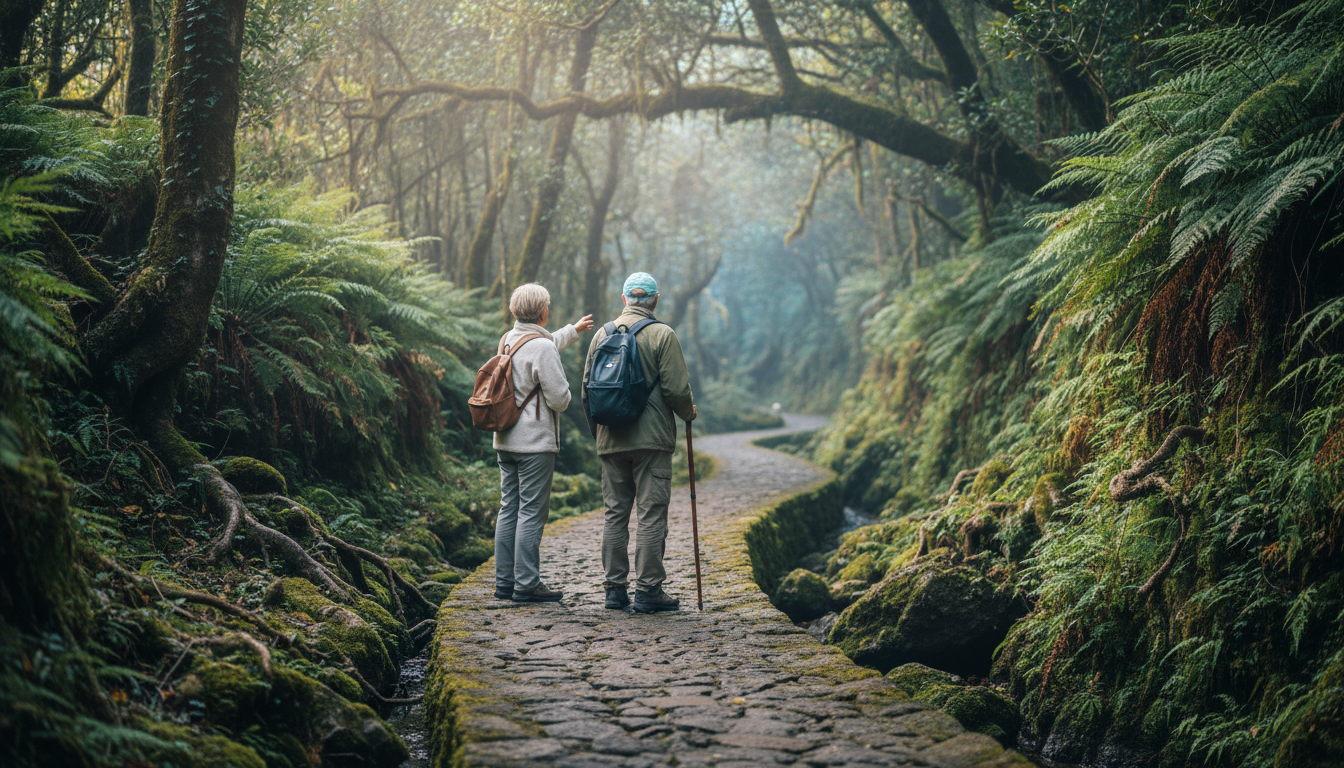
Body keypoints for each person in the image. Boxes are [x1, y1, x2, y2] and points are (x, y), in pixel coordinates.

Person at [582, 272, 696, 613]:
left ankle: (614, 590)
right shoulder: (663, 334)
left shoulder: (601, 334)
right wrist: (688, 413)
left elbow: (588, 391)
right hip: (652, 441)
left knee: (614, 513)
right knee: (650, 514)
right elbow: (676, 390)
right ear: (655, 300)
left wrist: (600, 435)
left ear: (623, 300)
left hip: (610, 438)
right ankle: (648, 592)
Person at [493, 283, 593, 602]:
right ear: (543, 312)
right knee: (532, 512)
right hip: (534, 443)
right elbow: (560, 399)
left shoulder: (508, 340)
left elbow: (542, 343)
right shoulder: (543, 348)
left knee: (509, 508)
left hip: (505, 438)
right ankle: (527, 584)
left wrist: (572, 330)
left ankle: (504, 582)